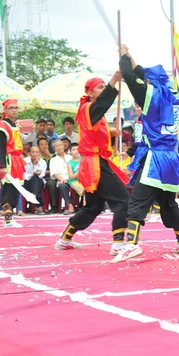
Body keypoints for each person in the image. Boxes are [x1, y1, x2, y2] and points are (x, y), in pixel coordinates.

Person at [111, 45, 179, 263]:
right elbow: (141, 73)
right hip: (172, 158)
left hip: (156, 158)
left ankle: (132, 245)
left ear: (149, 82)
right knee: (167, 203)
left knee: (137, 201)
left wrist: (123, 57)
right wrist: (130, 56)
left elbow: (128, 74)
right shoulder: (171, 94)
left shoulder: (149, 95)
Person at [55, 71, 130, 252]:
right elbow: (104, 102)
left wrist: (112, 133)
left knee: (93, 206)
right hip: (95, 164)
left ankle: (65, 239)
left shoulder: (90, 110)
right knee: (123, 201)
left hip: (92, 162)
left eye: (105, 86)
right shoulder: (90, 108)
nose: (104, 90)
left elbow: (93, 133)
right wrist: (114, 80)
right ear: (90, 93)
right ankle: (118, 243)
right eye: (100, 87)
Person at [0, 99, 27, 228]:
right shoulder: (2, 126)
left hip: (17, 160)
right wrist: (3, 166)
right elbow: (0, 147)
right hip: (9, 161)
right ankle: (7, 219)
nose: (14, 110)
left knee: (15, 189)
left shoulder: (15, 125)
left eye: (16, 108)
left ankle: (10, 217)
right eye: (11, 108)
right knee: (9, 188)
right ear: (5, 110)